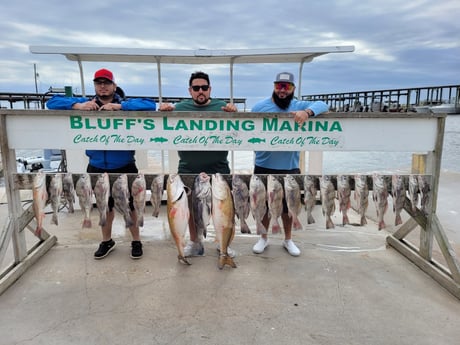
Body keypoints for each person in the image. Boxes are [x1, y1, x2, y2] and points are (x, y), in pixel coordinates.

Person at [46, 68, 157, 260]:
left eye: (107, 83)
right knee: (105, 207)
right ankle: (107, 241)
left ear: (114, 85)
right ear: (95, 86)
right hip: (96, 165)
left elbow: (150, 105)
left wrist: (119, 108)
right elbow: (52, 102)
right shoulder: (85, 103)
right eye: (99, 83)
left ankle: (136, 241)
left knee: (131, 207)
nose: (103, 86)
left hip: (124, 165)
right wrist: (77, 106)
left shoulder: (124, 103)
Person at [159, 71, 237, 257]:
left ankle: (222, 243)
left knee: (224, 210)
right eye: (196, 88)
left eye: (204, 87)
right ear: (190, 90)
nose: (200, 91)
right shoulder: (180, 107)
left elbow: (239, 130)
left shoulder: (222, 107)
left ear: (210, 89)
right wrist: (163, 110)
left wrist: (235, 114)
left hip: (218, 167)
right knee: (193, 211)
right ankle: (195, 242)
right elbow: (160, 123)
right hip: (188, 167)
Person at [252, 72, 329, 257]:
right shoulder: (259, 107)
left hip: (290, 167)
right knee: (264, 206)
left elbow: (324, 105)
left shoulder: (298, 105)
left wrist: (307, 112)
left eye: (287, 87)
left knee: (289, 206)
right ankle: (263, 237)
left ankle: (288, 239)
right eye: (279, 86)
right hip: (264, 165)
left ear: (293, 89)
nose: (283, 91)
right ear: (273, 86)